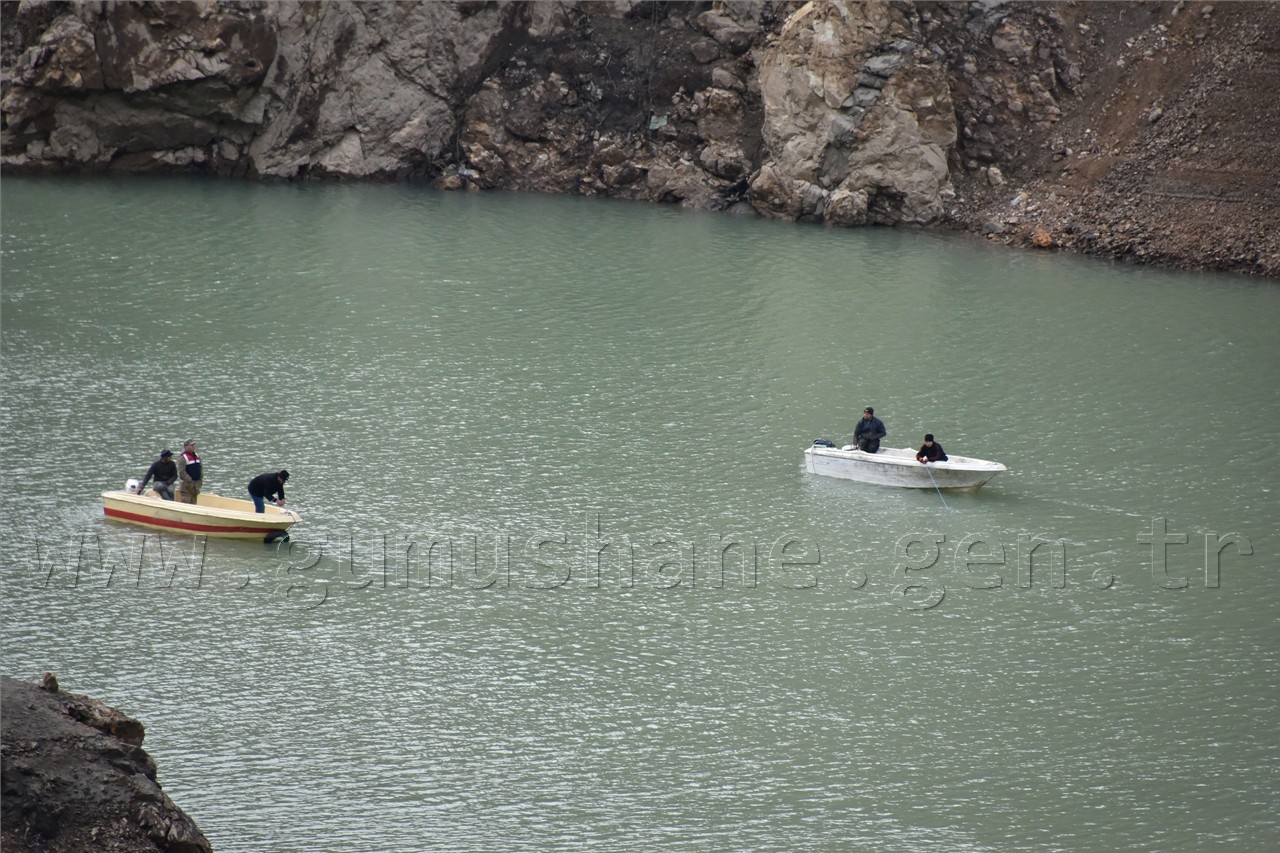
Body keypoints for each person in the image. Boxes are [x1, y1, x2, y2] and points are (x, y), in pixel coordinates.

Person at [177, 439, 203, 504]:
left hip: (196, 486)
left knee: (194, 503)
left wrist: (200, 479)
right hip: (186, 486)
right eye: (191, 445)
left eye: (194, 445)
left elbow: (200, 468)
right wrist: (189, 480)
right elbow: (181, 472)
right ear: (186, 447)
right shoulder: (183, 457)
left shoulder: (197, 456)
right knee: (186, 502)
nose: (193, 447)